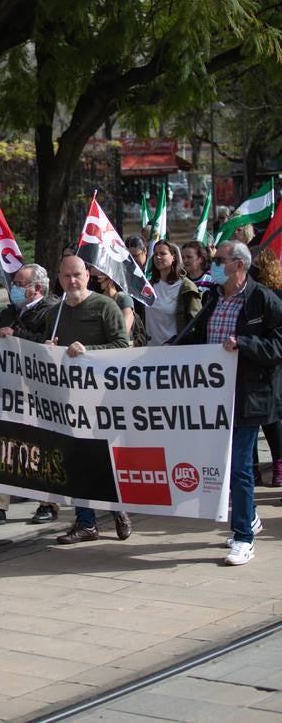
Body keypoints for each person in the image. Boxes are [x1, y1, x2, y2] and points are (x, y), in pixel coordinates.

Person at [179, 240, 282, 565]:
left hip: (250, 397)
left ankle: (243, 537)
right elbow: (196, 339)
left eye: (219, 259)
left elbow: (278, 346)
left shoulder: (263, 300)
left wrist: (246, 344)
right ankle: (248, 517)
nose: (213, 264)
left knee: (239, 468)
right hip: (215, 399)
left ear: (238, 264)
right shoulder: (212, 299)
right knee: (226, 468)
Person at [44, 254, 133, 544]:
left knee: (103, 458)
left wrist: (88, 351)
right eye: (67, 276)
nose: (72, 281)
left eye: (78, 275)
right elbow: (48, 350)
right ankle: (86, 523)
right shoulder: (54, 313)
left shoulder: (104, 306)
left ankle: (119, 509)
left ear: (88, 276)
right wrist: (47, 349)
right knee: (76, 460)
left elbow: (122, 346)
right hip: (69, 400)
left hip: (103, 399)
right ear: (59, 279)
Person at [0, 264, 59, 527]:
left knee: (40, 447)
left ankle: (48, 503)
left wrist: (17, 335)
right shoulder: (8, 313)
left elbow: (49, 346)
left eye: (20, 284)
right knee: (1, 445)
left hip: (39, 392)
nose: (14, 289)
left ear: (37, 289)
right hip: (8, 390)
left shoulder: (52, 311)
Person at [251, 248, 282, 487]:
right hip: (252, 363)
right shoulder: (246, 295)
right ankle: (254, 470)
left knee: (273, 419)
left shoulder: (274, 296)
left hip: (273, 365)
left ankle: (279, 465)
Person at [144, 239, 202, 346]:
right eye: (155, 254)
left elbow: (195, 324)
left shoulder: (186, 287)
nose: (158, 257)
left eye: (163, 253)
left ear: (174, 257)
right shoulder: (148, 286)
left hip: (175, 352)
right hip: (149, 352)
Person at [93, 269, 134, 340]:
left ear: (111, 278)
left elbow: (125, 329)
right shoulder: (100, 299)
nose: (99, 276)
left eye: (103, 273)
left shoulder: (123, 298)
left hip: (122, 347)